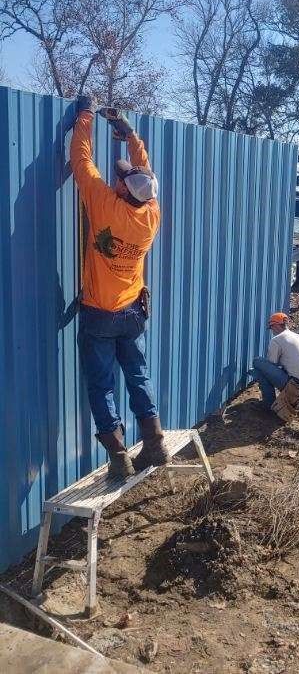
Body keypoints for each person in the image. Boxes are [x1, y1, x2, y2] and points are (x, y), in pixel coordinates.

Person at [70, 95, 170, 478]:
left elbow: (81, 161)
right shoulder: (151, 214)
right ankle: (155, 443)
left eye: (121, 178)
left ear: (124, 191)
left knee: (102, 385)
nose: (117, 178)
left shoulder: (103, 203)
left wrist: (85, 114)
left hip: (100, 313)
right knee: (138, 376)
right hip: (132, 313)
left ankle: (118, 457)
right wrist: (128, 133)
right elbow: (147, 173)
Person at [251, 312, 299, 419]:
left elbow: (271, 363)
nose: (272, 331)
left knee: (258, 362)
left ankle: (268, 405)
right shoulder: (297, 336)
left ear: (276, 326)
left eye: (271, 328)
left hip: (296, 387)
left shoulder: (277, 340)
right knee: (264, 367)